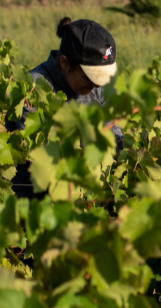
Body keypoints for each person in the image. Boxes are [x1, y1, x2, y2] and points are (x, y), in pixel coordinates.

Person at [7, 17, 122, 195]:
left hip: (85, 193)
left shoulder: (96, 86)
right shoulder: (33, 90)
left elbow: (114, 137)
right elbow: (44, 161)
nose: (97, 85)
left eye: (101, 78)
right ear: (64, 63)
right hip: (32, 201)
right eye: (91, 78)